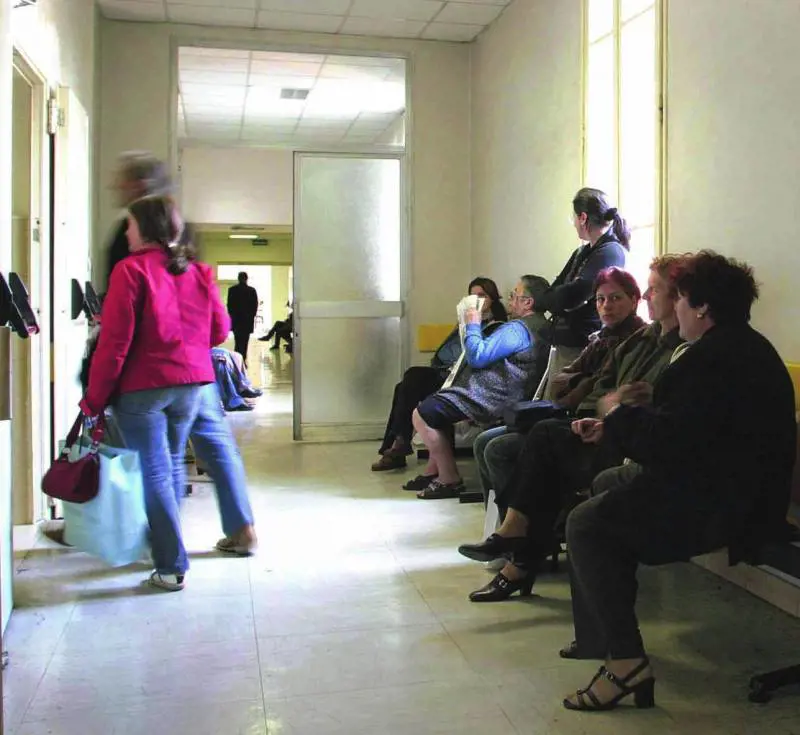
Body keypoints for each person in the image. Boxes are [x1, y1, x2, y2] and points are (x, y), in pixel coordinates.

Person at [561, 251, 796, 712]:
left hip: (726, 506)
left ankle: (625, 662)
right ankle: (610, 644)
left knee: (587, 524)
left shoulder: (708, 361)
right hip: (739, 493)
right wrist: (621, 423)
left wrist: (618, 412)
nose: (675, 308)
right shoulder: (748, 349)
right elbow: (695, 431)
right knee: (604, 503)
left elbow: (669, 445)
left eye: (681, 298)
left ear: (702, 306)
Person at [457, 255, 686, 601]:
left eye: (652, 290)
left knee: (533, 442)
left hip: (626, 441)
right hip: (597, 424)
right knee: (522, 444)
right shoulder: (636, 340)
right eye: (600, 299)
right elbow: (593, 387)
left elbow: (628, 400)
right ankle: (517, 547)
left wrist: (601, 402)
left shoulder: (673, 348)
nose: (607, 306)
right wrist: (601, 402)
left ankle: (517, 544)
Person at [81, 195, 230, 592]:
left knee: (155, 472)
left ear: (145, 228)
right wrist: (187, 347)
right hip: (190, 387)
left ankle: (169, 563)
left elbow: (114, 344)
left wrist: (94, 398)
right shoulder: (198, 271)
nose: (126, 233)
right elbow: (220, 329)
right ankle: (164, 545)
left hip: (143, 390)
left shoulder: (130, 271)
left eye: (130, 225)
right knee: (170, 467)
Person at [473, 267, 645, 505]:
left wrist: (580, 383)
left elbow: (603, 393)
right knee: (483, 441)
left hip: (593, 425)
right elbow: (559, 382)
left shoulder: (637, 340)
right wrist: (582, 381)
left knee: (497, 449)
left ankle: (522, 522)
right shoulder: (600, 339)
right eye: (600, 299)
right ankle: (506, 519)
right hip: (568, 412)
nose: (607, 306)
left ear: (634, 301)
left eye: (616, 298)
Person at [411, 275, 550, 500]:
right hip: (508, 392)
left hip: (492, 396)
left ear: (528, 302)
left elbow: (478, 356)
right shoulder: (543, 326)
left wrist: (473, 324)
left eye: (514, 295)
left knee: (422, 414)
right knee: (436, 407)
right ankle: (438, 471)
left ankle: (448, 478)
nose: (510, 300)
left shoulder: (517, 329)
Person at [373, 276, 508, 474]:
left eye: (481, 296)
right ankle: (399, 444)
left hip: (463, 379)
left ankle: (398, 445)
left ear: (492, 299)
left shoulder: (496, 326)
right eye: (472, 296)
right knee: (405, 384)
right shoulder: (466, 320)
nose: (476, 301)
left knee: (410, 379)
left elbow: (480, 356)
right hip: (444, 372)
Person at [538, 188, 630, 400]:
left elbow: (572, 295)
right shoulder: (582, 252)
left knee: (562, 402)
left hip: (584, 343)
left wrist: (560, 299)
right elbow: (550, 294)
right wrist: (559, 298)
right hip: (568, 340)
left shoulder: (610, 251)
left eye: (574, 218)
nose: (574, 223)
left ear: (583, 218)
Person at [227, 272, 258, 363]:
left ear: (238, 278)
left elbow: (230, 305)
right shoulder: (251, 290)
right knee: (245, 341)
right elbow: (254, 305)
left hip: (236, 320)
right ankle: (243, 359)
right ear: (246, 279)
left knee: (237, 341)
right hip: (247, 320)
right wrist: (251, 316)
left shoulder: (232, 290)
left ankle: (236, 360)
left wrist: (232, 316)